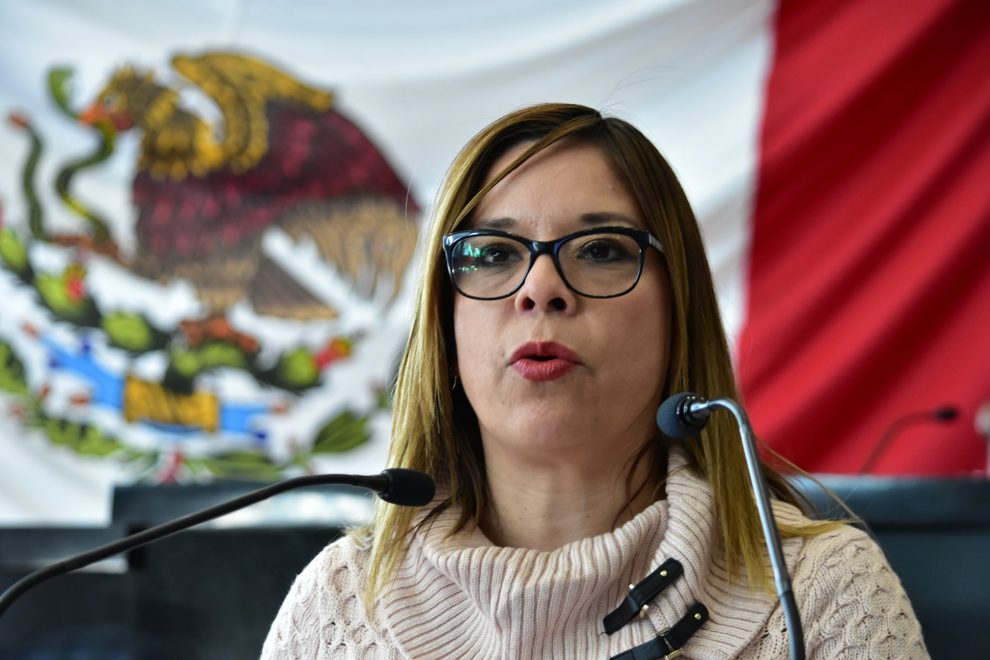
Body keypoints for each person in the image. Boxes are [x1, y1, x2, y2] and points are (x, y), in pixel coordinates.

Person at [261, 103, 927, 658]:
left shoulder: (821, 593)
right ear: (444, 321)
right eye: (493, 253)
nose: (540, 288)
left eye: (601, 249)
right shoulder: (337, 609)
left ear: (679, 307)